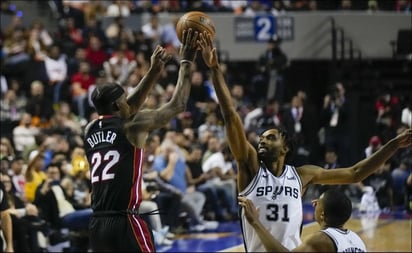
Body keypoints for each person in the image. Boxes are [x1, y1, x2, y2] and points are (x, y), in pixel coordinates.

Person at [198, 32, 412, 252]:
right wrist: (214, 70)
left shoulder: (302, 175)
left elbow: (355, 173)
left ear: (286, 148)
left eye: (270, 137)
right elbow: (231, 115)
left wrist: (393, 145)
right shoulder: (250, 167)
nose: (262, 141)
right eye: (261, 138)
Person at [84, 29, 199, 252]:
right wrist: (186, 61)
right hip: (125, 221)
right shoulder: (132, 126)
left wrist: (154, 71)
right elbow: (177, 105)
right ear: (118, 105)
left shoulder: (89, 130)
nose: (129, 101)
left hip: (97, 223)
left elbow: (128, 107)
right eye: (124, 98)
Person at [238, 188, 367, 252]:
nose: (313, 202)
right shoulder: (357, 240)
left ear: (322, 215)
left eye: (319, 202)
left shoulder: (321, 239)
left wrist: (255, 222)